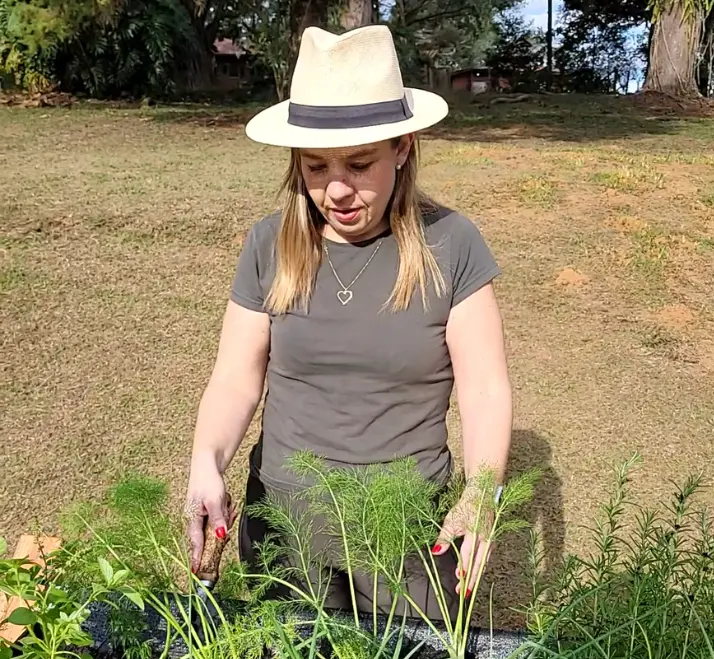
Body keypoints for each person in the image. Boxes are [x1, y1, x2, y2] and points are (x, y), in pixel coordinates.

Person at [184, 24, 512, 619]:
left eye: (360, 164)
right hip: (285, 523)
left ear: (402, 148)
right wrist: (206, 463)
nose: (336, 190)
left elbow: (484, 388)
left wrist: (482, 490)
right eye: (315, 167)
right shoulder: (268, 245)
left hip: (402, 529)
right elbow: (235, 380)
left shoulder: (451, 244)